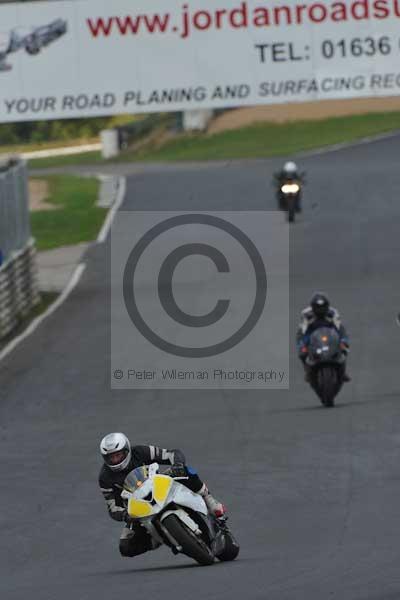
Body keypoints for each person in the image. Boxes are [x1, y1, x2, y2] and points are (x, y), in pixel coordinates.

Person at [98, 432, 226, 558]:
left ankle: (210, 500)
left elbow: (171, 454)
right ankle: (157, 538)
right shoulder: (105, 477)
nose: (114, 460)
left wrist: (177, 464)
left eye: (118, 455)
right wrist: (125, 515)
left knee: (187, 472)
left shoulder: (141, 451)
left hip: (159, 484)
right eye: (110, 457)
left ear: (127, 451)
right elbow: (112, 506)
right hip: (138, 505)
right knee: (125, 547)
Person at [296, 292, 350, 382]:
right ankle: (308, 372)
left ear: (327, 306)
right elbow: (302, 331)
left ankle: (343, 372)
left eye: (322, 307)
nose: (320, 310)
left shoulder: (333, 313)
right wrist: (302, 345)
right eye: (318, 307)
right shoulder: (306, 315)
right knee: (302, 353)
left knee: (343, 349)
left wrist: (343, 341)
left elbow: (340, 328)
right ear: (313, 307)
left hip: (330, 335)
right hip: (311, 335)